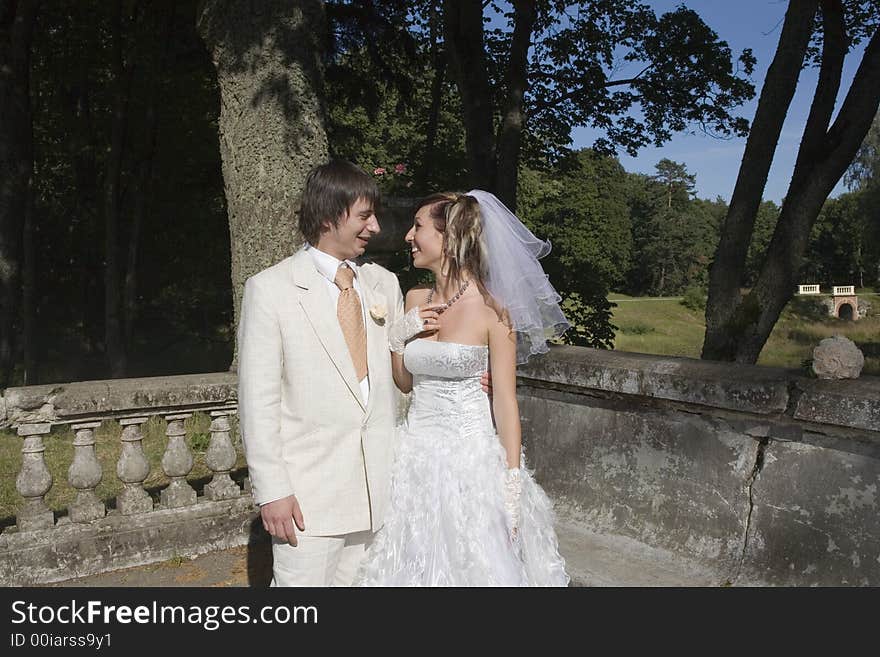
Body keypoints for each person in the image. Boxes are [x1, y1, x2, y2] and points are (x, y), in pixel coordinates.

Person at [355, 190, 571, 586]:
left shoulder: (494, 310)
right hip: (414, 458)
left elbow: (505, 402)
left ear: (449, 237)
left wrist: (511, 480)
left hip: (470, 463)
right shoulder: (415, 298)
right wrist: (399, 338)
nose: (407, 236)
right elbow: (404, 384)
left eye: (417, 227)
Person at [236, 160, 406, 586]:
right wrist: (272, 490)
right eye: (365, 216)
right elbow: (257, 401)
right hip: (309, 497)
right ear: (331, 215)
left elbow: (404, 371)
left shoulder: (383, 285)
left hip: (377, 492)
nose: (375, 227)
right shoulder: (270, 290)